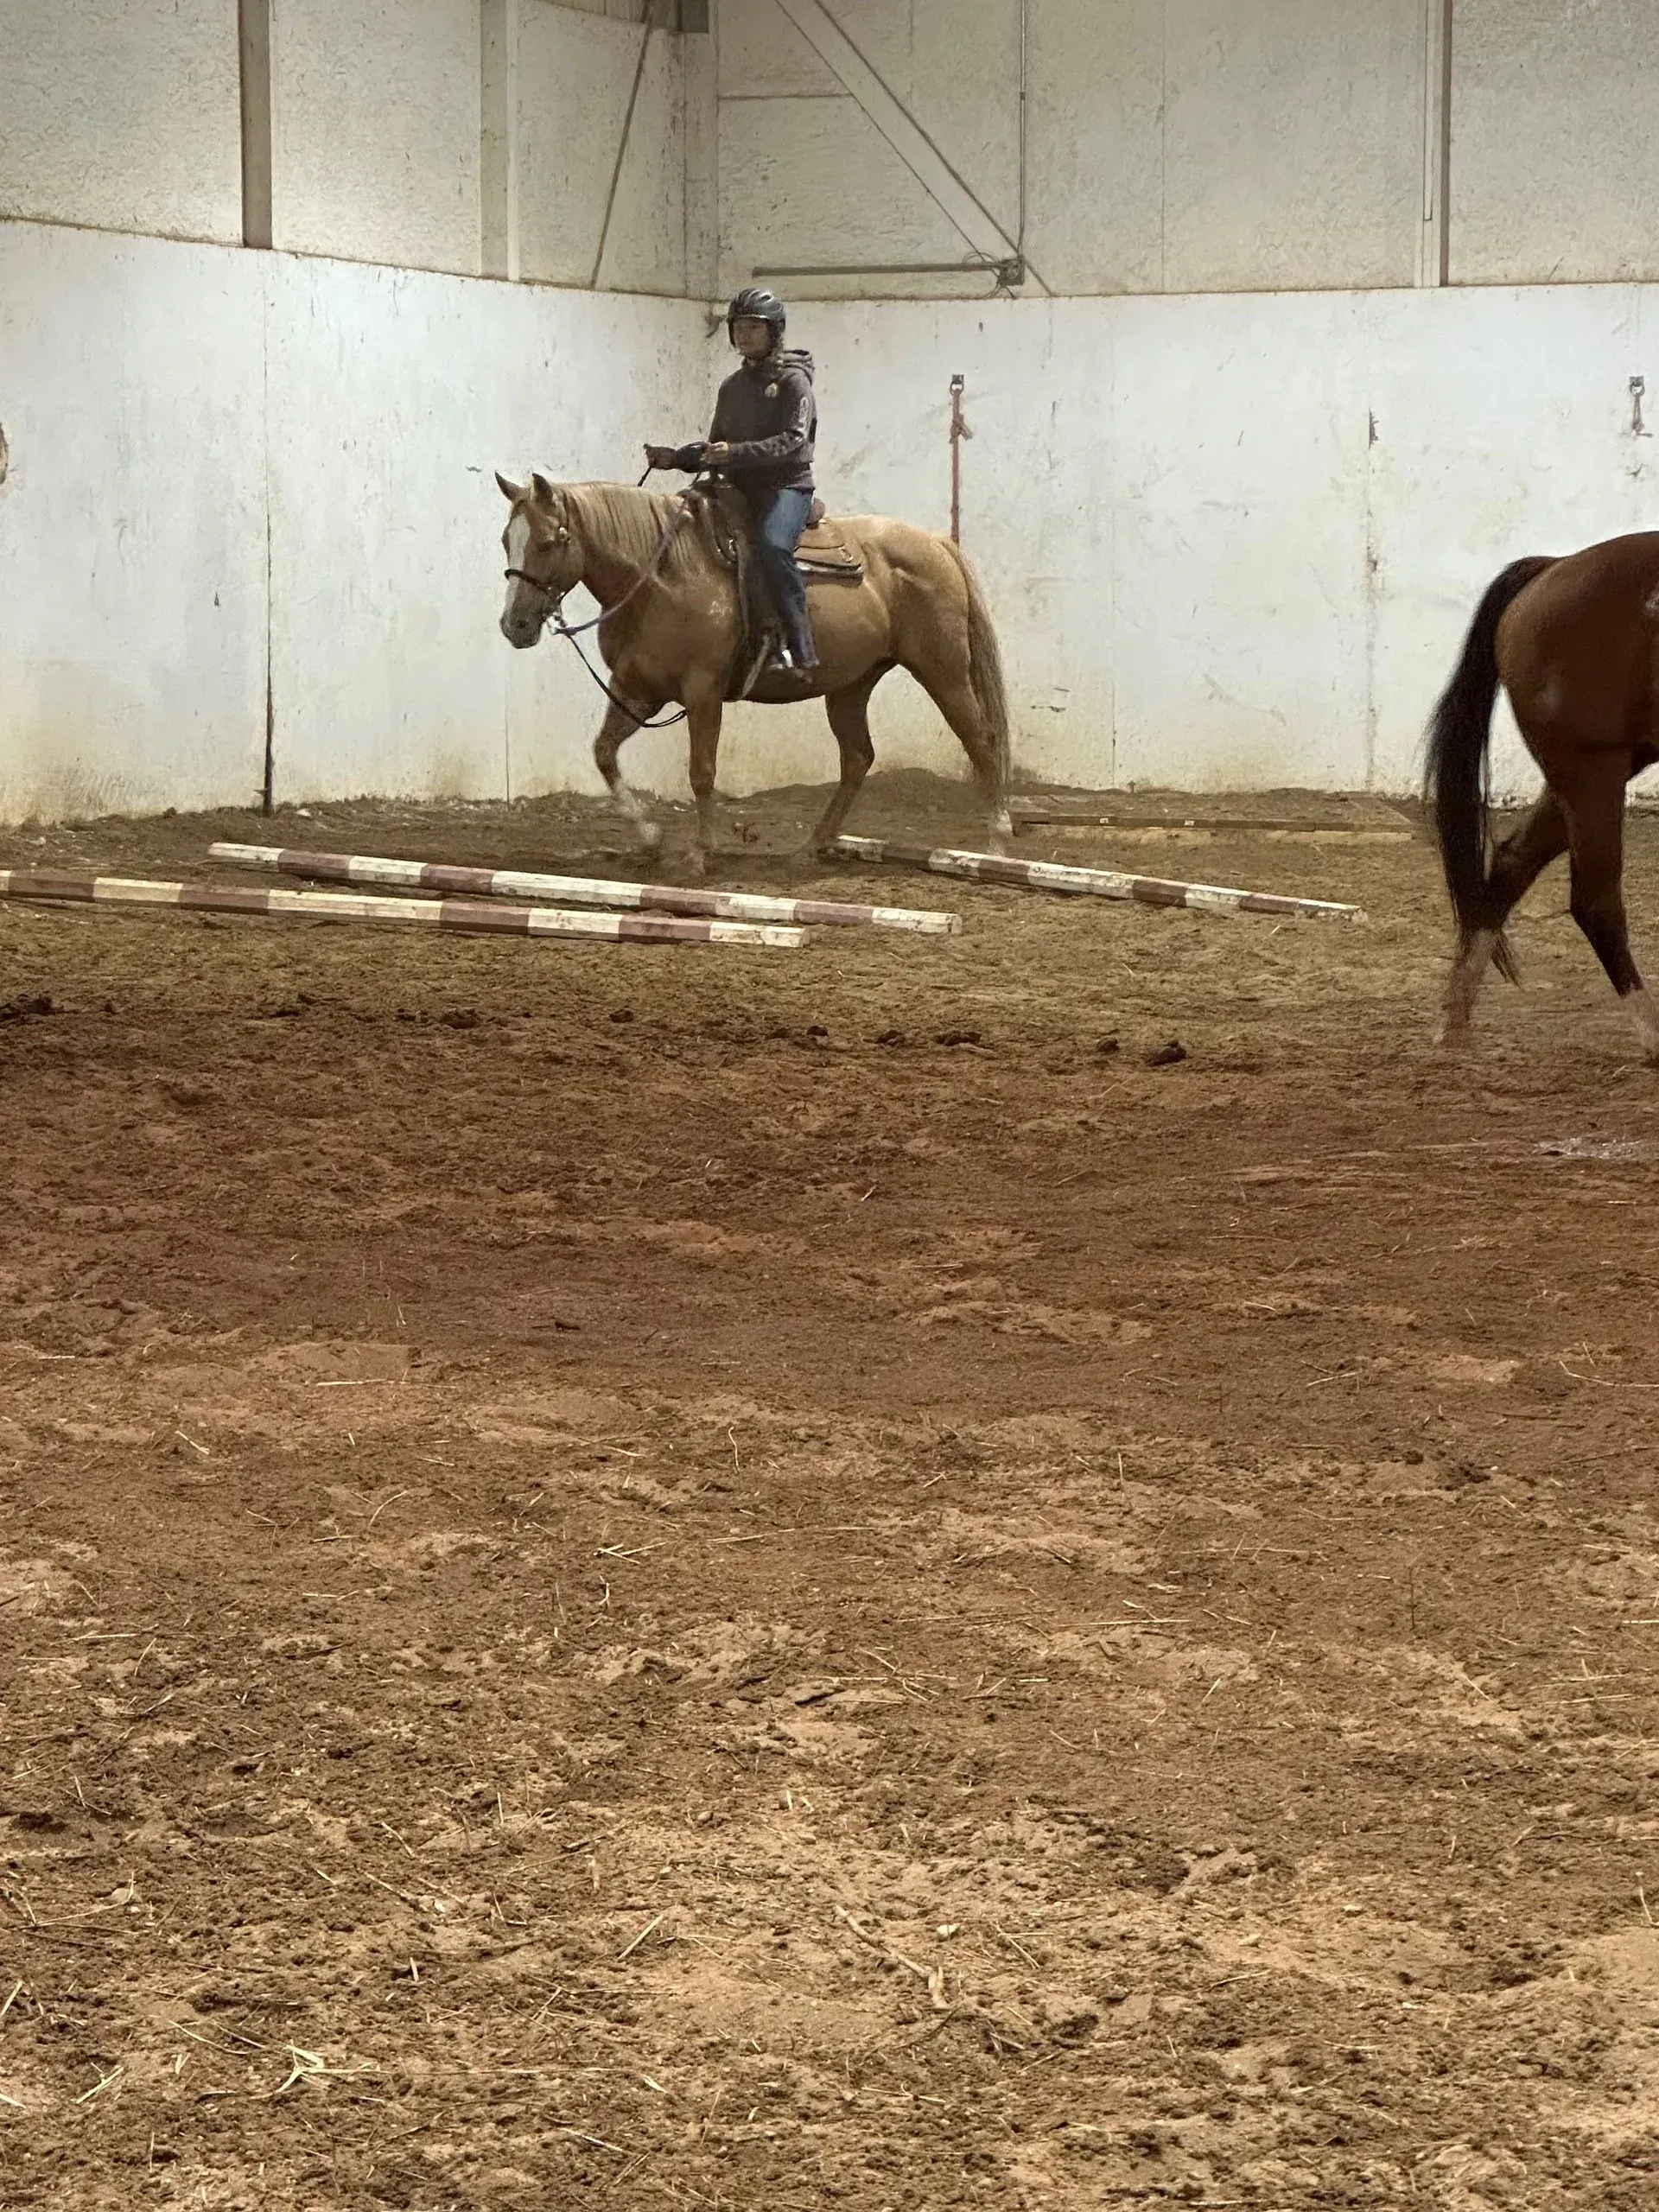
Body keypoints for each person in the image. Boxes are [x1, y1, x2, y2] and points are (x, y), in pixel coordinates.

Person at [645, 287, 819, 680]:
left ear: (774, 331)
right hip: (737, 489)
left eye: (753, 327)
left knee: (774, 547)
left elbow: (794, 440)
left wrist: (735, 453)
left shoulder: (794, 382)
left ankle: (798, 645)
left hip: (785, 487)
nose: (744, 335)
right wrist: (674, 457)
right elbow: (716, 447)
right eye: (738, 327)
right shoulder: (731, 387)